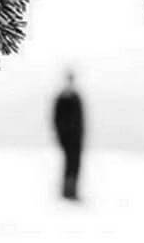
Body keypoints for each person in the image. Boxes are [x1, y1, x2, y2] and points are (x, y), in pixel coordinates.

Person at [52, 70, 85, 200]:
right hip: (67, 139)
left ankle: (72, 191)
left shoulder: (76, 96)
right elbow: (56, 119)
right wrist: (62, 136)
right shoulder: (63, 97)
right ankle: (67, 192)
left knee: (75, 164)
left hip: (77, 138)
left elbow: (80, 119)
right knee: (69, 163)